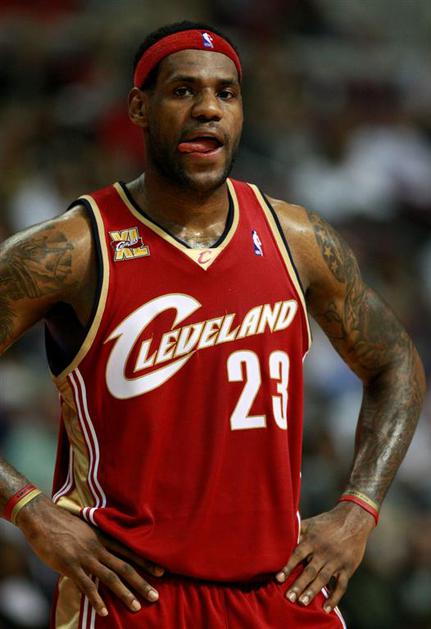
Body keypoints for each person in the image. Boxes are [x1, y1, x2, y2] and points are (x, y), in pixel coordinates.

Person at [0, 20, 425, 629]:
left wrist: (358, 510)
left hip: (279, 588)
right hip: (131, 594)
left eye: (226, 93)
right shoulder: (72, 249)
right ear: (138, 108)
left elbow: (396, 363)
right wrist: (30, 510)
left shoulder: (298, 239)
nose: (208, 108)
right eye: (183, 91)